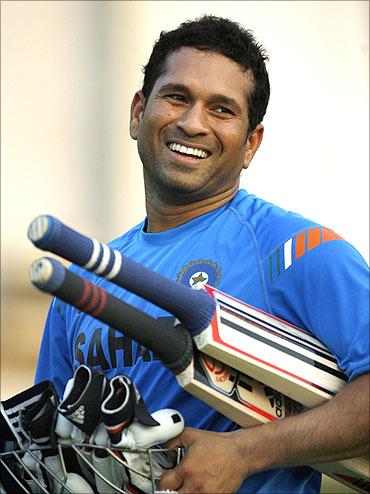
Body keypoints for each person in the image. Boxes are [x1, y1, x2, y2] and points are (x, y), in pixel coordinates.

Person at [35, 15, 369, 493]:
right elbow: (46, 445)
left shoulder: (299, 252)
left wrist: (244, 453)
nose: (193, 123)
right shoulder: (79, 284)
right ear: (137, 113)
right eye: (177, 97)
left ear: (251, 143)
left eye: (222, 110)